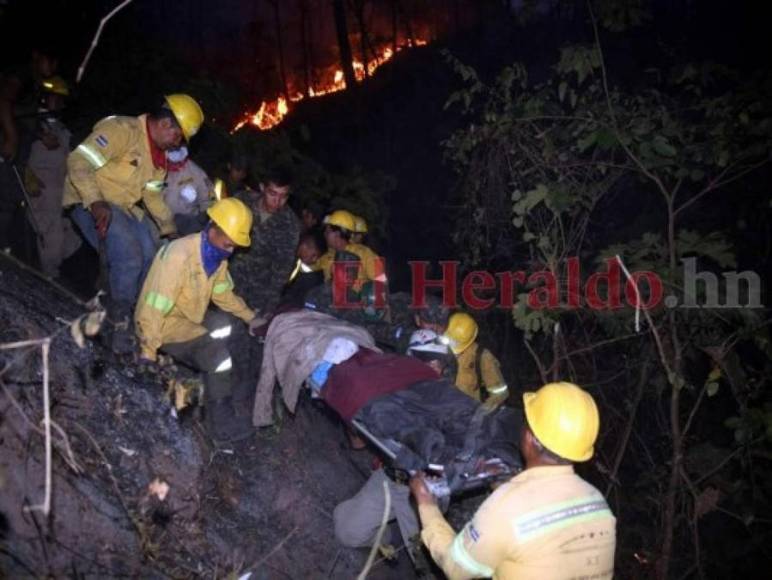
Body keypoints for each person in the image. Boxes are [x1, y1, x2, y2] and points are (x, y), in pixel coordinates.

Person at [410, 381, 616, 579]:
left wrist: (426, 503)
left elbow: (455, 567)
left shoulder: (506, 506)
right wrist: (503, 481)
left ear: (531, 438)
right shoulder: (598, 503)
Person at [64, 93, 204, 352]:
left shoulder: (157, 158)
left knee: (152, 254)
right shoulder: (121, 130)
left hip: (121, 208)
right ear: (165, 125)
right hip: (88, 201)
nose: (177, 144)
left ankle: (131, 314)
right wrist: (95, 201)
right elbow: (78, 161)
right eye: (178, 136)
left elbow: (151, 195)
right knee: (129, 256)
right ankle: (118, 324)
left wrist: (169, 230)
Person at [134, 198, 265, 444]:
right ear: (213, 228)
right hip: (163, 325)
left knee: (229, 328)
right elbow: (153, 308)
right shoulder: (180, 255)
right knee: (218, 356)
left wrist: (251, 318)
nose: (231, 251)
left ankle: (217, 388)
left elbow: (223, 294)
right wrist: (147, 352)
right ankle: (221, 426)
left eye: (235, 246)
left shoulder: (216, 257)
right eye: (229, 244)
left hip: (188, 315)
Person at [333, 330, 453, 561]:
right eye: (427, 363)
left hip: (424, 491)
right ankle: (385, 535)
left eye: (439, 364)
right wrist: (352, 413)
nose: (434, 370)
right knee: (346, 530)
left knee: (430, 560)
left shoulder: (446, 402)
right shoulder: (388, 394)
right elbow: (357, 443)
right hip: (390, 479)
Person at [0, 46, 59, 254]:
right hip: (8, 141)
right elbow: (4, 101)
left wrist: (42, 135)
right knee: (6, 193)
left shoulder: (36, 83)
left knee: (13, 194)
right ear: (37, 56)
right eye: (49, 61)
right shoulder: (22, 74)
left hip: (20, 145)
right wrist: (11, 137)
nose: (52, 67)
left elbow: (26, 117)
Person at [24, 76, 81, 277]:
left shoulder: (61, 129)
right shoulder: (30, 121)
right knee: (52, 233)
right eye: (53, 98)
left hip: (60, 190)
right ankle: (49, 275)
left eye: (60, 99)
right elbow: (18, 148)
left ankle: (39, 263)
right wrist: (27, 175)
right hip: (41, 188)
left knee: (72, 238)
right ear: (43, 98)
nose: (57, 103)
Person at [229, 166, 301, 318]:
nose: (277, 201)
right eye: (272, 193)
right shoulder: (242, 201)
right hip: (225, 282)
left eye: (283, 196)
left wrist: (269, 306)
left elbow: (282, 268)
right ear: (262, 188)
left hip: (256, 293)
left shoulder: (290, 224)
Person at [441, 312, 509, 409]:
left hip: (466, 414)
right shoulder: (435, 346)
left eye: (455, 342)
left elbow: (500, 392)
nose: (451, 345)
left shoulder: (481, 356)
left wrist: (482, 411)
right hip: (439, 412)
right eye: (448, 338)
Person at [318, 209, 386, 290]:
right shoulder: (327, 257)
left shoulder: (364, 253)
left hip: (358, 301)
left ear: (337, 234)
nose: (325, 234)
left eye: (328, 231)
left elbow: (381, 281)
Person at [163, 145, 213, 235]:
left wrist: (205, 213)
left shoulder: (194, 171)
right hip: (166, 222)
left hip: (191, 219)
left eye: (176, 148)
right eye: (171, 149)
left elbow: (207, 194)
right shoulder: (158, 171)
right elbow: (150, 195)